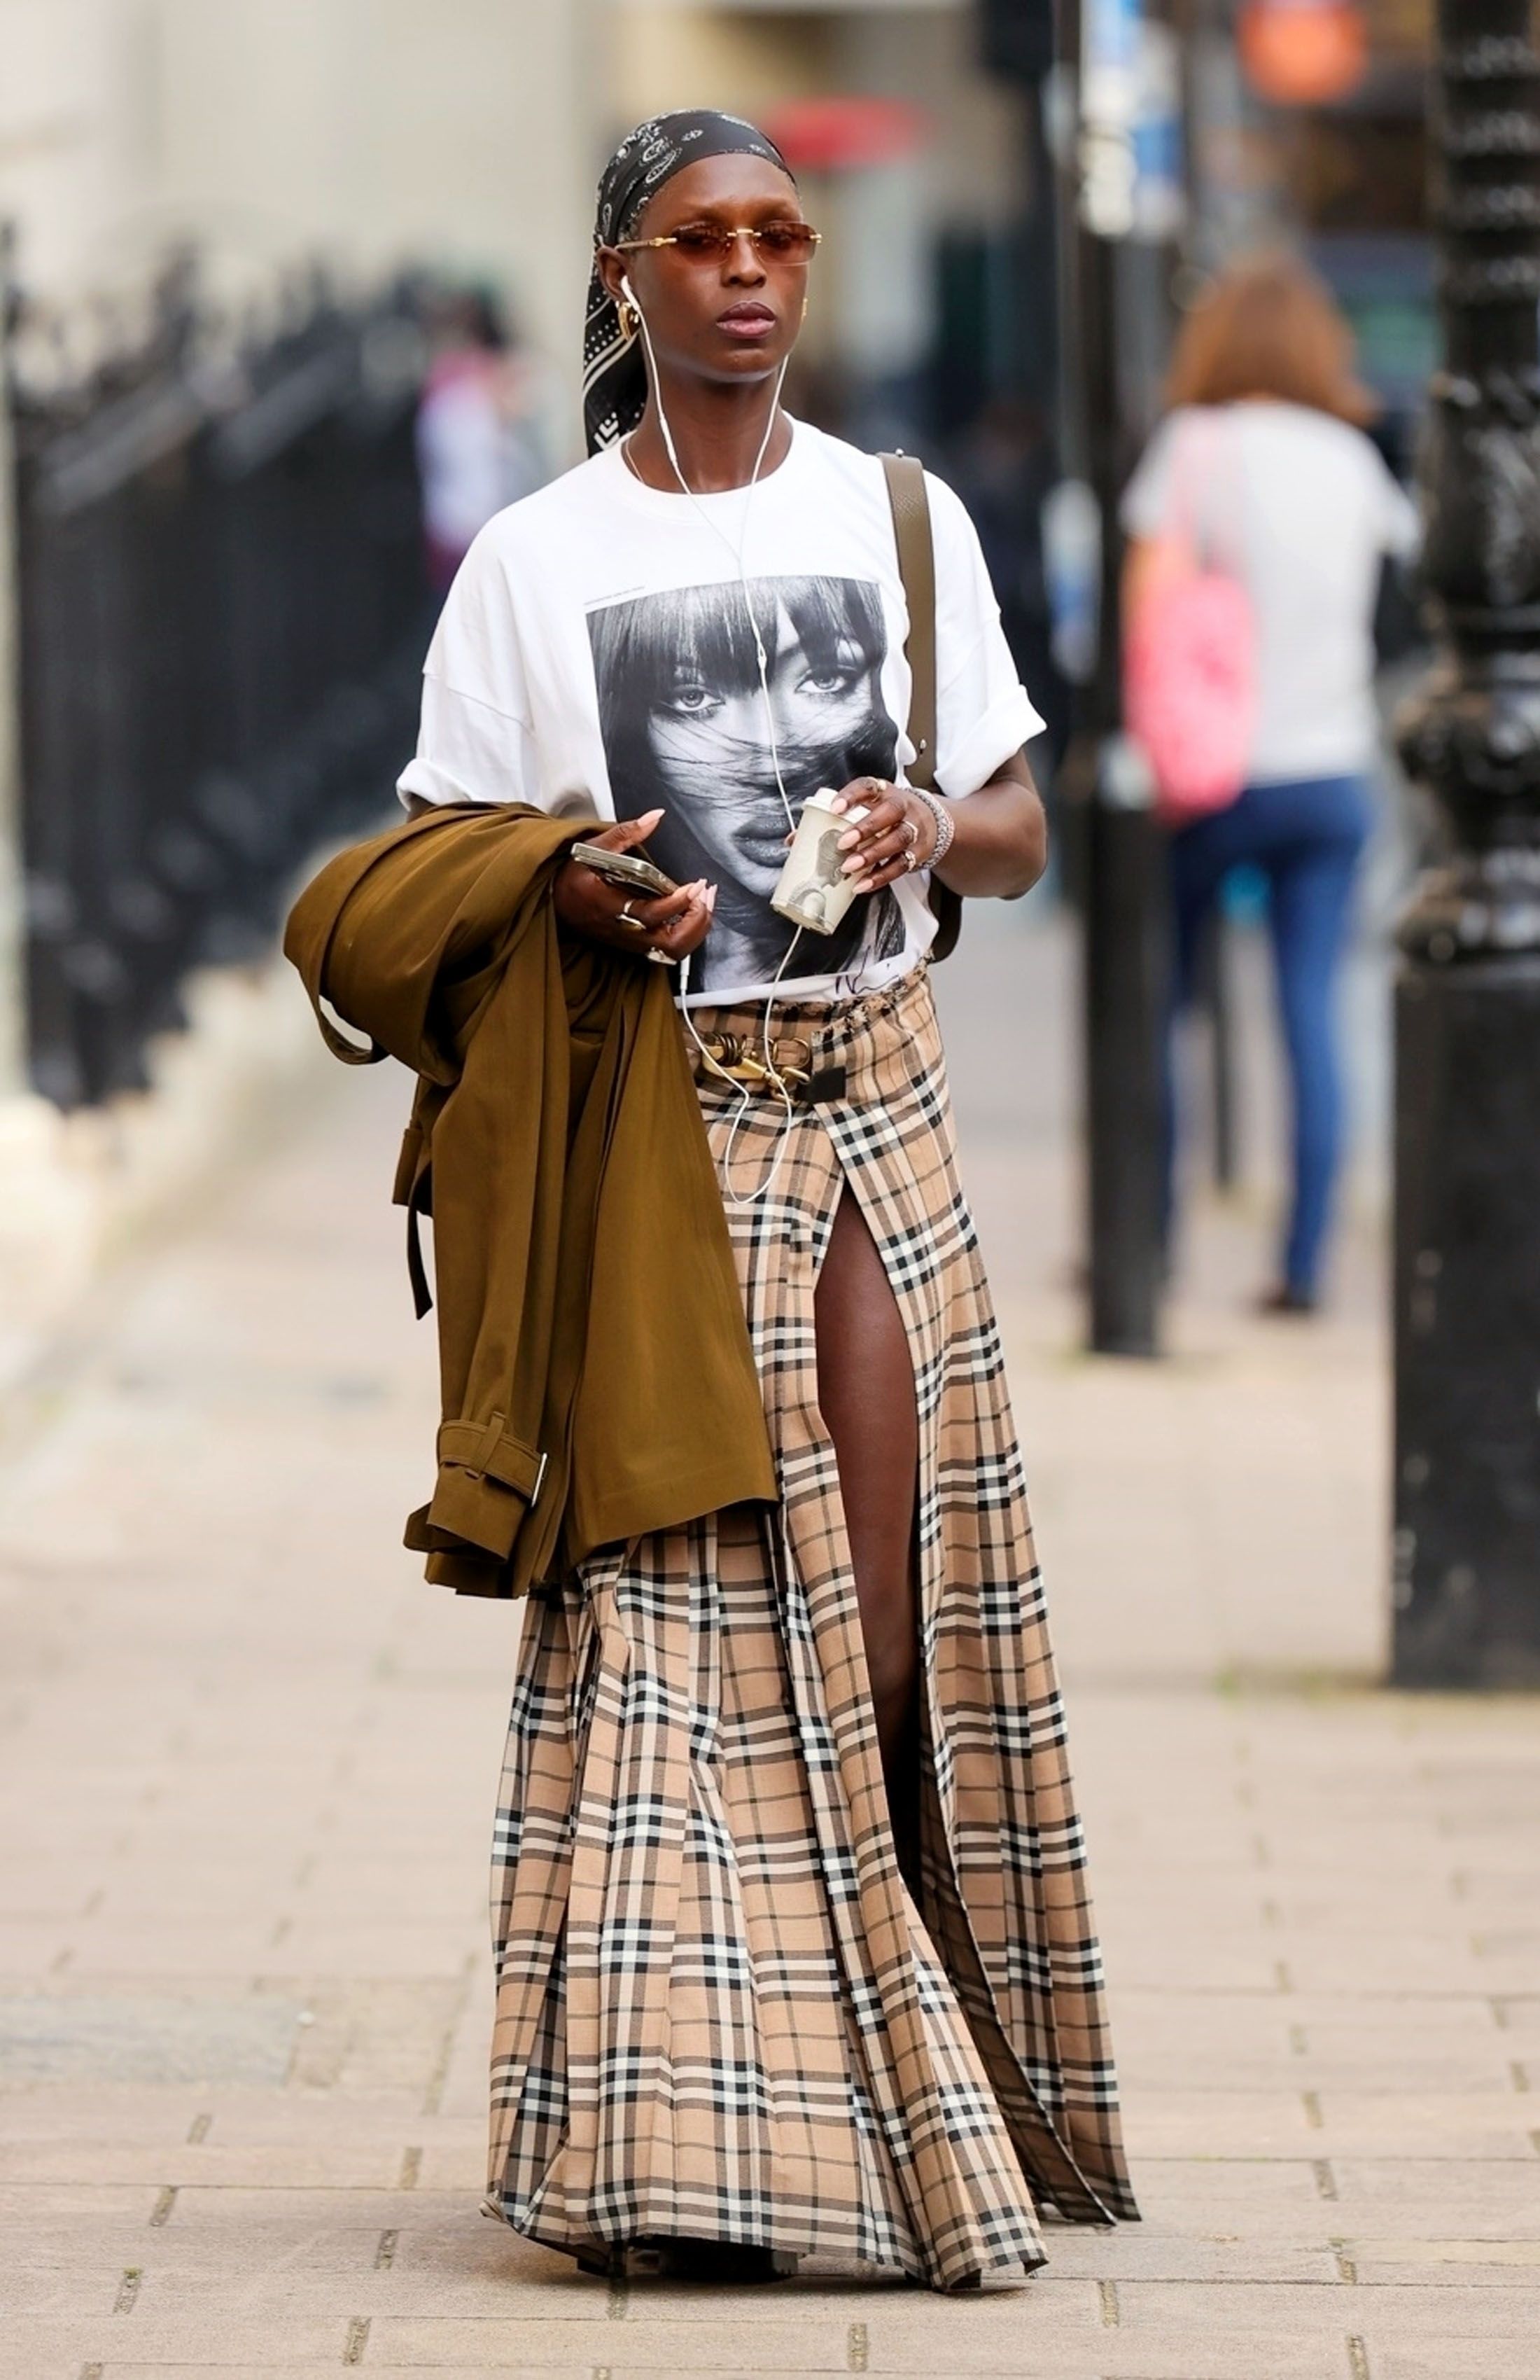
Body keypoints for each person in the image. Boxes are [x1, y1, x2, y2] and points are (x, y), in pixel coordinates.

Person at [397, 108, 1135, 2290]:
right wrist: (580, 883)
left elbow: (1021, 824)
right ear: (624, 273)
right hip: (657, 1125)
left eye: (779, 235)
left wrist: (925, 817)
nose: (746, 270)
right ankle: (692, 2143)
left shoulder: (902, 520)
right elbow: (444, 860)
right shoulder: (534, 559)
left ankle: (901, 2077)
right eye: (701, 237)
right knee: (670, 1636)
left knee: (880, 1624)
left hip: (878, 1112)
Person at [1121, 252, 1420, 1314]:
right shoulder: (1351, 455)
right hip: (1332, 772)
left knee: (1164, 1007)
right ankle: (1302, 1267)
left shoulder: (1195, 446)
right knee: (1310, 1013)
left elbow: (1150, 609)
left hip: (1214, 773)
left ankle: (1144, 1246)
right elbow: (1405, 579)